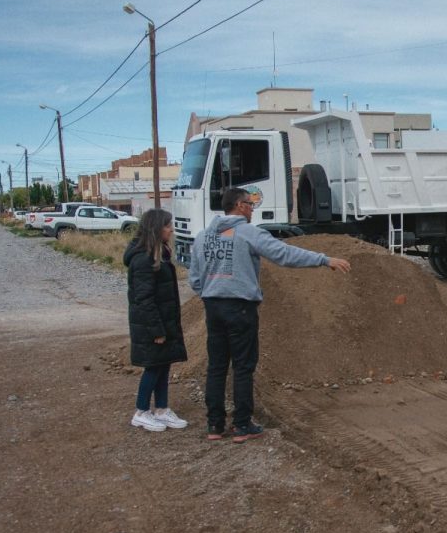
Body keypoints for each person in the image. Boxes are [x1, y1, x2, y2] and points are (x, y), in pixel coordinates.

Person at [188, 188, 351, 444]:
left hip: (212, 307)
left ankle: (215, 425)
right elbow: (283, 254)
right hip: (240, 308)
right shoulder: (247, 233)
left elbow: (195, 279)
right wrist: (323, 259)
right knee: (243, 366)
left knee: (217, 367)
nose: (253, 209)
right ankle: (242, 425)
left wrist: (211, 292)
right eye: (250, 204)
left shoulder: (203, 237)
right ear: (240, 206)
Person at [124, 209, 189, 432]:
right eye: (167, 226)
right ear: (156, 228)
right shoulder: (143, 260)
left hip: (163, 321)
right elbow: (144, 299)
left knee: (163, 365)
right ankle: (141, 412)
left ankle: (161, 409)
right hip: (153, 326)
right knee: (153, 367)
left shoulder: (158, 254)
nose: (171, 230)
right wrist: (157, 331)